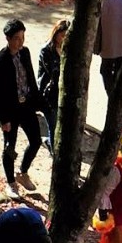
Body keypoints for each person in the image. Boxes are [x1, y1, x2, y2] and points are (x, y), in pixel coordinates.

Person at [0, 18, 43, 193]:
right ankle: (11, 182)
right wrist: (2, 118)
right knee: (9, 146)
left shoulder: (25, 52)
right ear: (8, 39)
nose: (20, 42)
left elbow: (30, 78)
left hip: (26, 105)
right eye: (16, 38)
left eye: (22, 37)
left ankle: (23, 172)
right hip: (10, 110)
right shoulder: (1, 61)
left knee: (36, 140)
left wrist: (38, 102)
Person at [38, 21, 68, 155]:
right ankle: (53, 152)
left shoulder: (68, 49)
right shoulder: (46, 50)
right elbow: (52, 73)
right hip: (49, 93)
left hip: (61, 92)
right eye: (62, 35)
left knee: (59, 126)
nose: (64, 39)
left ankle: (50, 143)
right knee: (53, 125)